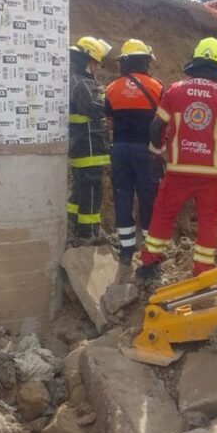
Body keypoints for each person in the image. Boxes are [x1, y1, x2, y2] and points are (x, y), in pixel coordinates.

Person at [135, 37, 217, 281]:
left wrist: (157, 153)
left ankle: (149, 264)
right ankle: (202, 273)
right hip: (211, 175)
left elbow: (156, 128)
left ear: (195, 59)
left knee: (163, 214)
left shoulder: (175, 91)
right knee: (208, 221)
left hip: (177, 171)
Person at [105, 39, 164, 265]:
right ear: (146, 61)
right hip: (146, 150)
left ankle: (126, 250)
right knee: (148, 197)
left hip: (120, 149)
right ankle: (150, 250)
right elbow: (163, 122)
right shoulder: (157, 87)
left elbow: (110, 123)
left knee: (123, 196)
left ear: (124, 63)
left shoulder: (111, 88)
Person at [68, 36, 113, 245]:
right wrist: (106, 96)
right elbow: (96, 108)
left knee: (81, 188)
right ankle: (89, 232)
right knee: (92, 188)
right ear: (86, 60)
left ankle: (75, 227)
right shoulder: (82, 83)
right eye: (95, 62)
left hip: (82, 144)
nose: (96, 67)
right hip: (89, 145)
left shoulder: (75, 79)